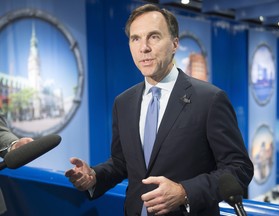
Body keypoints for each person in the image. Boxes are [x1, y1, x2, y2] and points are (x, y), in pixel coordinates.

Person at [65, 3, 254, 216]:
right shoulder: (123, 102)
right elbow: (121, 162)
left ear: (175, 44)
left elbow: (239, 168)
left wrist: (185, 192)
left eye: (153, 37)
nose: (143, 47)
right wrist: (94, 176)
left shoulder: (210, 99)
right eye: (135, 38)